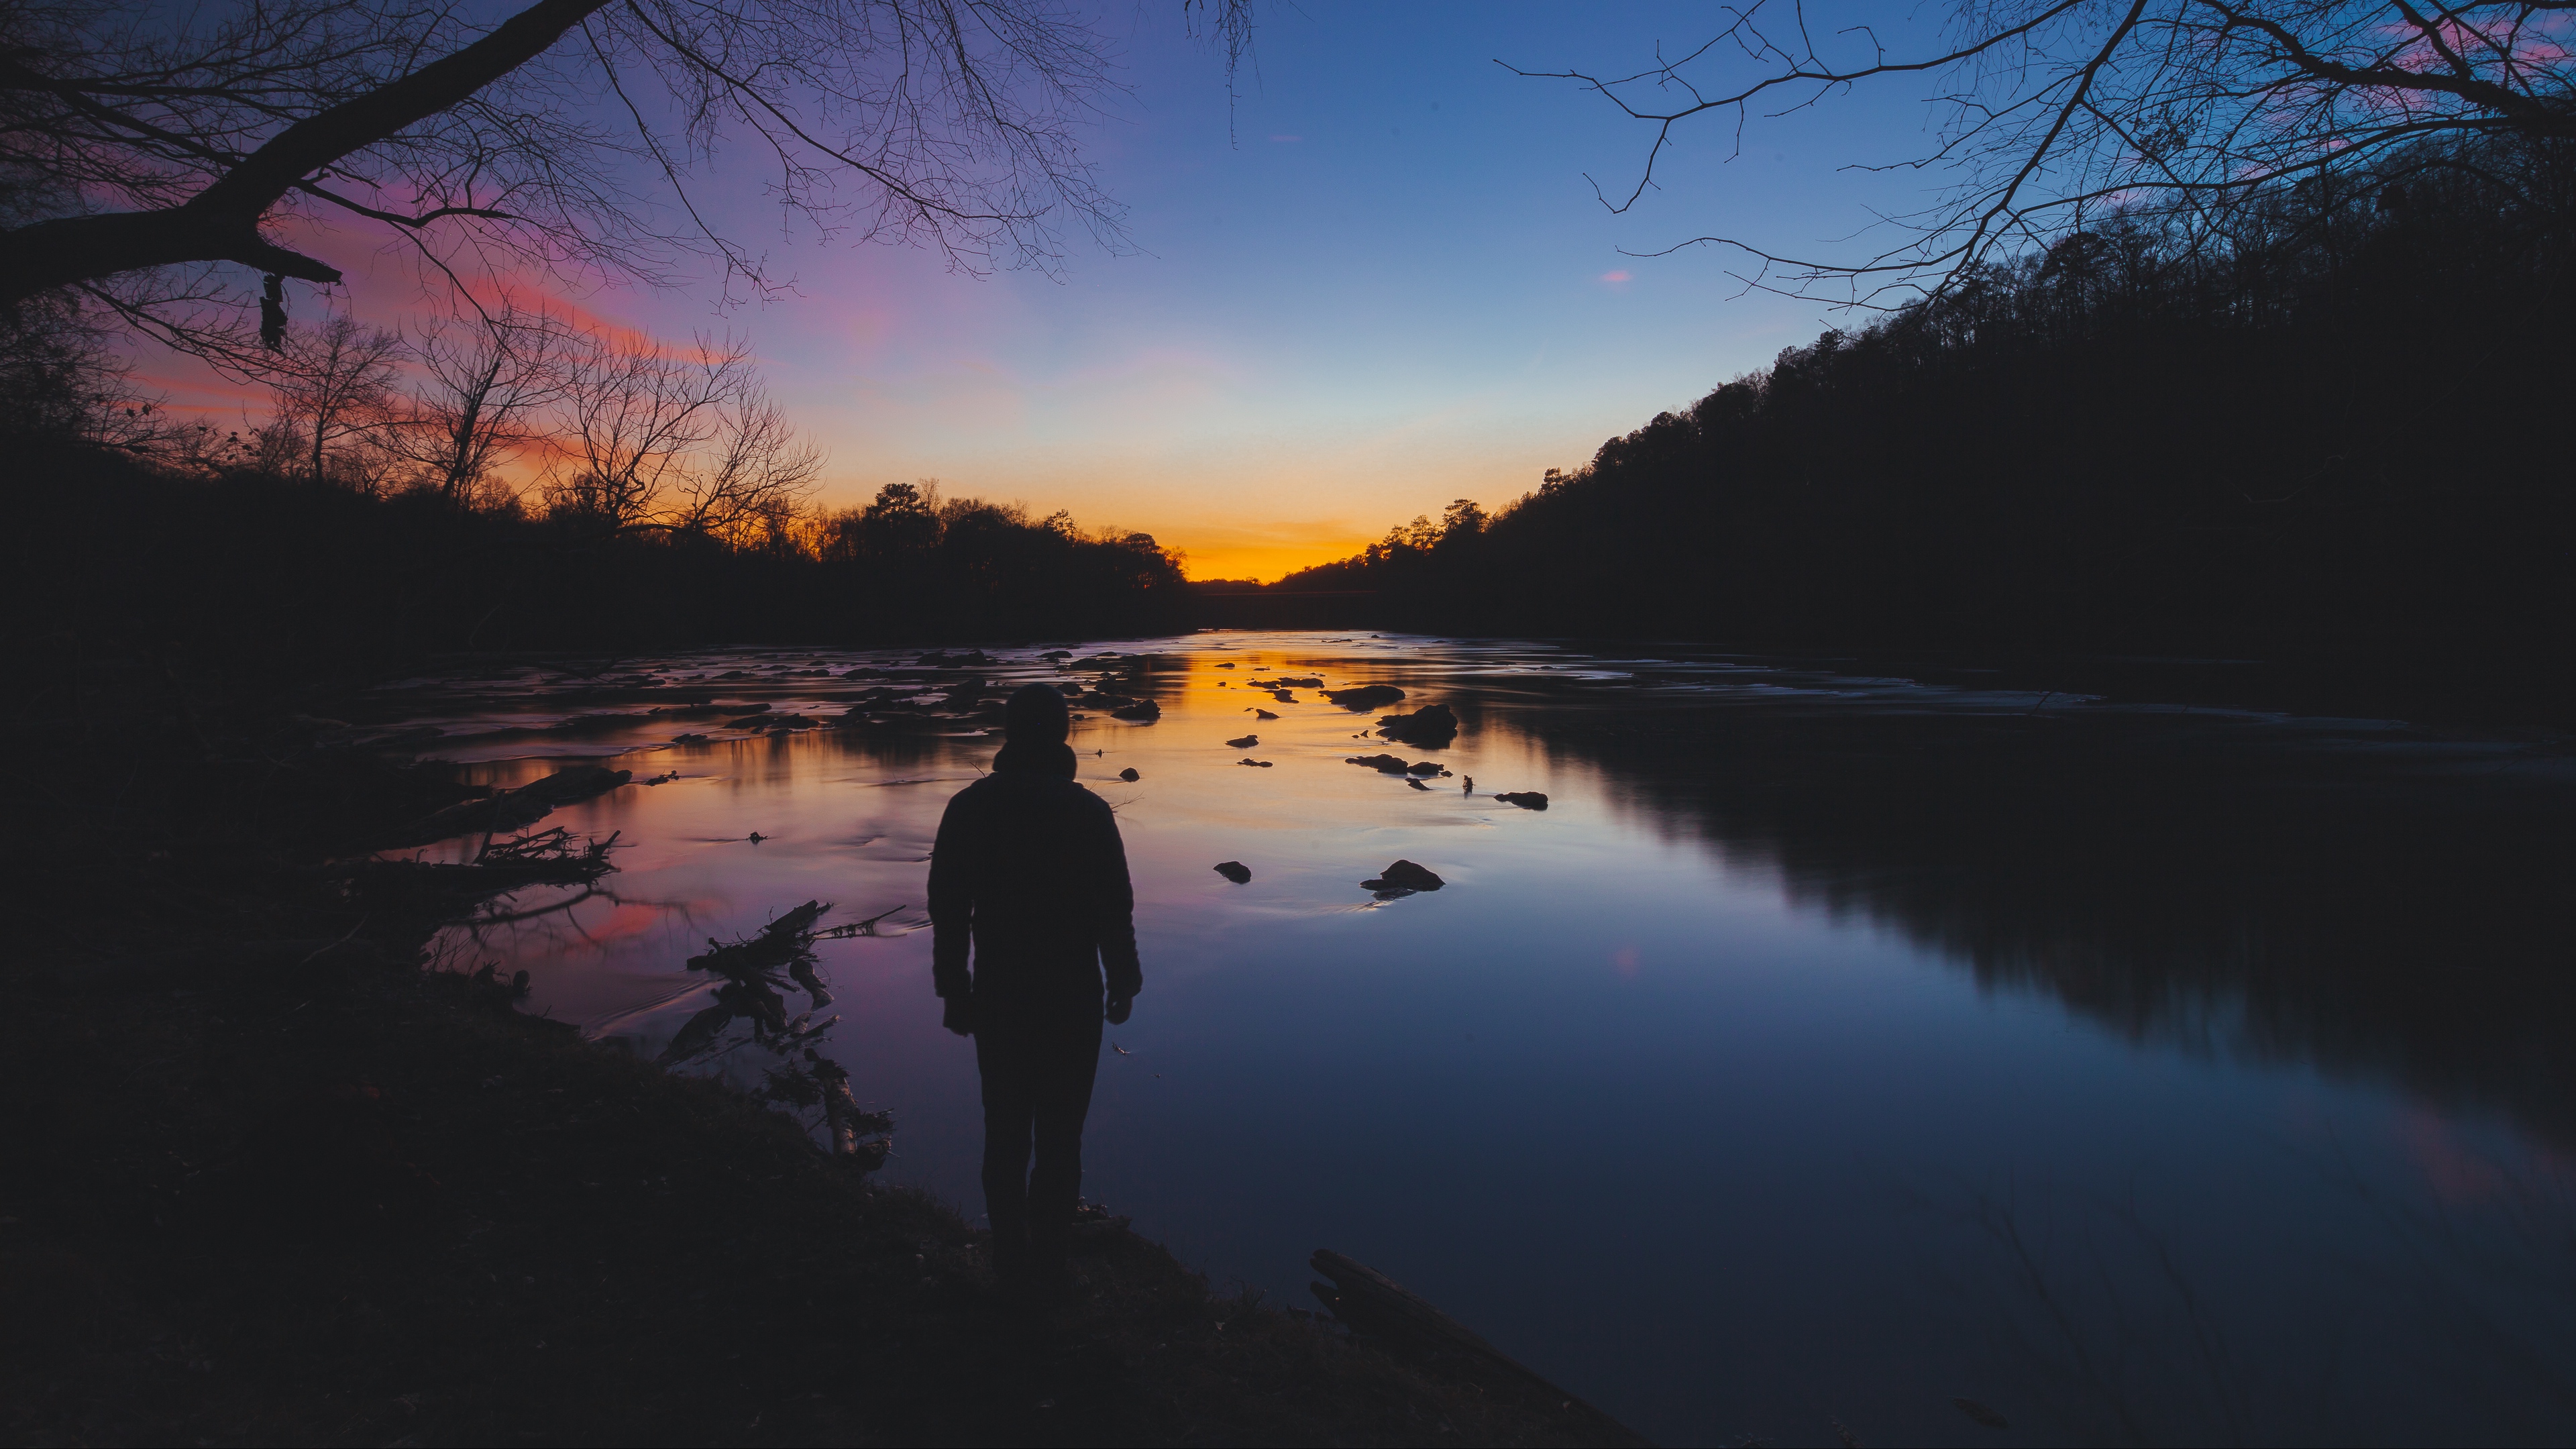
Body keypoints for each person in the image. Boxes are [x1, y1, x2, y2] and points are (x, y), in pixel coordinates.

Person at [928, 683, 1140, 1299]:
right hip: (1072, 997)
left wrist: (954, 989)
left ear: (1011, 733)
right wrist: (1122, 980)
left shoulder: (970, 807)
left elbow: (949, 909)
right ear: (1063, 735)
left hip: (1000, 994)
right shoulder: (1087, 812)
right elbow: (1113, 909)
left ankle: (1010, 1262)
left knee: (1005, 1130)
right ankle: (1047, 1265)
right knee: (1060, 1137)